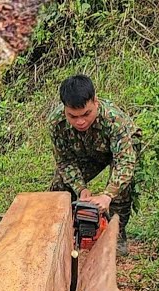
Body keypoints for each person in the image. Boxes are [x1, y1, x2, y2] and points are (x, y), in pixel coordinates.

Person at [49, 74, 142, 253]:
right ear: (64, 109)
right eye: (73, 116)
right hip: (88, 152)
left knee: (122, 188)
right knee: (60, 186)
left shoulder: (115, 121)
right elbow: (65, 161)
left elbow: (124, 162)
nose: (80, 121)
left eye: (86, 114)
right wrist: (81, 189)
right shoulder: (56, 123)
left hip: (121, 151)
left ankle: (117, 233)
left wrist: (107, 195)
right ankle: (64, 233)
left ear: (95, 102)